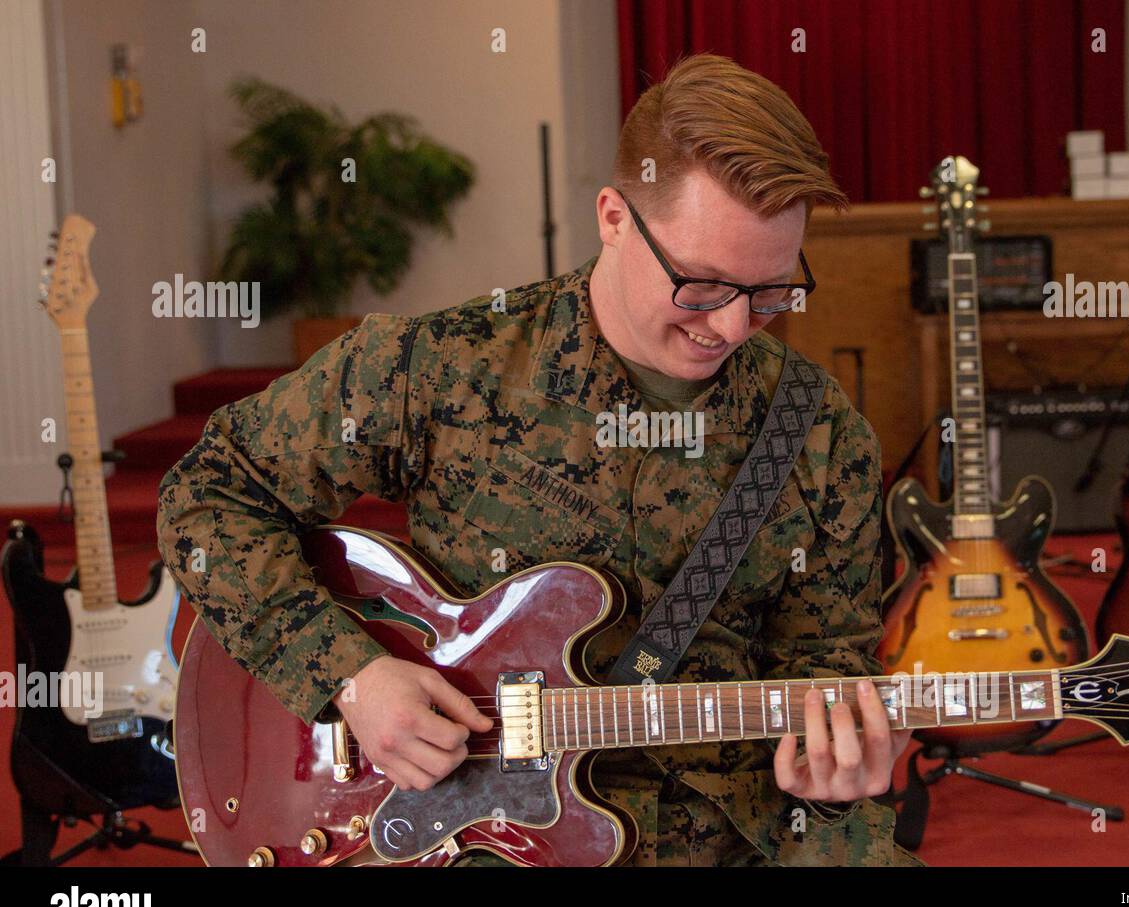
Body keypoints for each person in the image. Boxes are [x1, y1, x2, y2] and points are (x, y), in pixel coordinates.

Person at [157, 53, 920, 866]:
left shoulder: (819, 429)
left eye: (771, 293)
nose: (731, 328)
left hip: (735, 833)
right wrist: (353, 677)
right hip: (476, 830)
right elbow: (208, 495)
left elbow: (826, 661)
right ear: (615, 218)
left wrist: (839, 761)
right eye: (700, 286)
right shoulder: (447, 366)